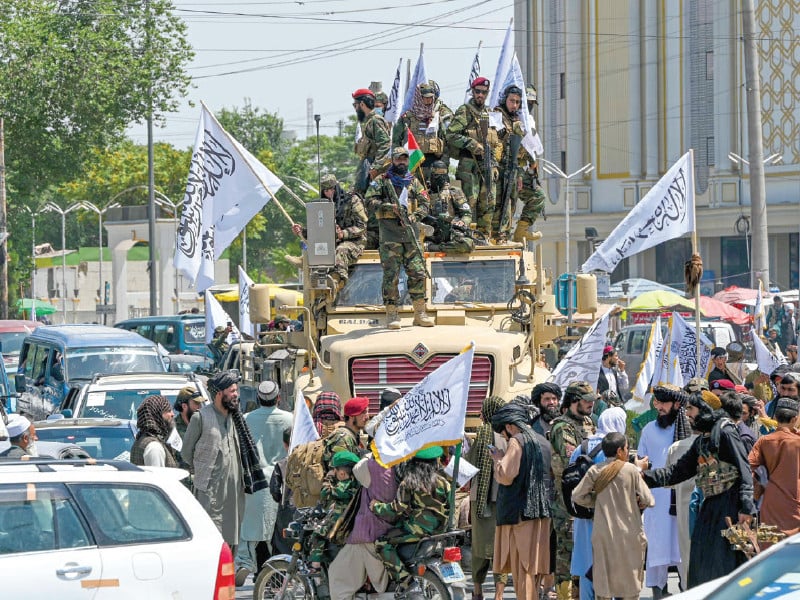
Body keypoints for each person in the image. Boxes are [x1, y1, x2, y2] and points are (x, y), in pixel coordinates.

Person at [641, 390, 757, 588]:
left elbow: (744, 470)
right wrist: (641, 476)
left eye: (691, 409)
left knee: (725, 567)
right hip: (710, 508)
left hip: (730, 509)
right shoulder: (701, 441)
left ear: (705, 410)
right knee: (701, 563)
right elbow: (675, 473)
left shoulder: (726, 432)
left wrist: (746, 508)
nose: (687, 414)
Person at [182, 371, 267, 554]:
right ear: (219, 393)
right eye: (232, 390)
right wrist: (203, 469)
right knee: (211, 540)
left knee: (231, 542)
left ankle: (227, 580)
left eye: (236, 390)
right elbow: (186, 453)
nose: (236, 394)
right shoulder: (201, 418)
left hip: (234, 493)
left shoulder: (236, 419)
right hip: (210, 492)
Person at [572, 432, 655, 600]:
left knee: (604, 582)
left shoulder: (595, 470)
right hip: (629, 533)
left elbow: (577, 495)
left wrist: (595, 502)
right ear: (619, 451)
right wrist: (638, 503)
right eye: (627, 448)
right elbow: (649, 499)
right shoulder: (631, 470)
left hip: (603, 533)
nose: (628, 451)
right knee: (631, 583)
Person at [489, 401, 552, 600]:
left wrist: (498, 458)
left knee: (522, 568)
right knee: (535, 568)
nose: (504, 438)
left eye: (503, 433)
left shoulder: (517, 441)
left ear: (509, 426)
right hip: (540, 513)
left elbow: (506, 475)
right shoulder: (543, 441)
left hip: (519, 516)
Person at [365, 146, 434, 330]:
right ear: (392, 161)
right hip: (390, 236)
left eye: (404, 159)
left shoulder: (413, 182)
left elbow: (426, 203)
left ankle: (419, 313)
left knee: (417, 273)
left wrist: (415, 216)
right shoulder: (382, 181)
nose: (402, 162)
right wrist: (389, 207)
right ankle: (392, 313)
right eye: (398, 159)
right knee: (391, 276)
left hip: (411, 235)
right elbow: (369, 202)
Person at [371, 445, 450, 596]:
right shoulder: (444, 483)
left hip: (418, 530)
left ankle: (405, 580)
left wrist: (376, 507)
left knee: (381, 543)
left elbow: (397, 508)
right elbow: (452, 506)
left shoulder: (408, 483)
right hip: (441, 531)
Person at [235, 380, 293, 585]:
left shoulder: (245, 419)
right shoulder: (290, 419)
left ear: (258, 399)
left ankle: (246, 563)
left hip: (254, 483)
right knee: (276, 534)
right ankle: (273, 574)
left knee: (252, 531)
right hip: (282, 484)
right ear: (278, 398)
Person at [637, 385, 692, 598]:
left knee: (682, 550)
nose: (657, 406)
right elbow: (642, 461)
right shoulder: (649, 429)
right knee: (658, 548)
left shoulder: (688, 429)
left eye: (662, 402)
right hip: (657, 500)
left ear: (677, 404)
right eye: (656, 402)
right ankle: (659, 592)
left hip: (683, 498)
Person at [569, 406, 627, 600]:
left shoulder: (581, 448)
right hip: (609, 516)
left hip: (583, 514)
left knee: (587, 564)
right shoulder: (615, 449)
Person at [548, 381, 596, 600]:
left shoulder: (588, 423)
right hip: (566, 503)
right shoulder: (561, 427)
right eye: (587, 401)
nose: (591, 405)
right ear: (574, 401)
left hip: (586, 501)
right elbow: (572, 461)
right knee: (567, 554)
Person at [328, 451, 398, 599]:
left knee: (338, 576)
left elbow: (357, 469)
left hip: (368, 532)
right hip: (393, 528)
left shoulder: (373, 467)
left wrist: (368, 455)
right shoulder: (399, 466)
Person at [288, 173, 367, 294]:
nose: (329, 193)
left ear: (336, 188)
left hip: (354, 241)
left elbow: (362, 226)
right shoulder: (323, 206)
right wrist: (302, 231)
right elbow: (319, 230)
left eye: (331, 190)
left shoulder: (352, 200)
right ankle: (306, 261)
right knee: (319, 249)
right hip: (331, 240)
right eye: (326, 191)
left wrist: (343, 234)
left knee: (341, 250)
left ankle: (336, 281)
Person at [466, 395, 509, 600]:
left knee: (479, 546)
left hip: (480, 500)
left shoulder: (483, 432)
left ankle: (477, 591)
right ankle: (499, 594)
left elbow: (471, 463)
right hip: (502, 498)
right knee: (500, 547)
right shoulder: (508, 433)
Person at [447, 77, 501, 237]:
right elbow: (450, 134)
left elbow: (495, 142)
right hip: (468, 166)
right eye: (478, 92)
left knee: (488, 203)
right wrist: (471, 144)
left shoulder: (489, 113)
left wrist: (495, 164)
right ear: (472, 91)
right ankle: (465, 236)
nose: (480, 95)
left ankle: (483, 236)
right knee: (468, 203)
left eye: (484, 92)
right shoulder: (465, 111)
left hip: (486, 165)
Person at [748, 397, 800, 542]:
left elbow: (748, 467)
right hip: (796, 500)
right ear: (795, 418)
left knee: (771, 551)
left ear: (775, 417)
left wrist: (757, 491)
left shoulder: (764, 441)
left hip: (772, 502)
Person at [307, 450, 361, 569]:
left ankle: (315, 565)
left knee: (317, 534)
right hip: (351, 521)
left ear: (342, 474)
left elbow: (326, 493)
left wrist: (328, 480)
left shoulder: (345, 484)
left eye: (335, 471)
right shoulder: (357, 483)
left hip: (340, 521)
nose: (334, 473)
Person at [491, 84, 527, 242]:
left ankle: (505, 234)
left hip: (512, 168)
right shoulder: (497, 116)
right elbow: (492, 142)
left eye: (518, 102)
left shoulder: (517, 120)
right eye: (512, 101)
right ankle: (496, 234)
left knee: (511, 202)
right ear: (505, 100)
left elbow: (520, 151)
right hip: (498, 167)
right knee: (498, 203)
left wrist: (519, 173)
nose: (515, 105)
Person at [393, 82, 448, 183]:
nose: (428, 100)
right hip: (412, 163)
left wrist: (444, 164)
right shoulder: (407, 118)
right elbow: (396, 141)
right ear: (419, 98)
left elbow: (445, 142)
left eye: (431, 97)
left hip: (433, 164)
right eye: (425, 97)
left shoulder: (436, 118)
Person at [514, 84, 547, 241]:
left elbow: (530, 148)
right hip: (512, 170)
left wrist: (533, 168)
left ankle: (520, 231)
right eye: (528, 103)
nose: (529, 106)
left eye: (532, 103)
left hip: (523, 170)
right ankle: (514, 232)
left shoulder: (528, 121)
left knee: (537, 196)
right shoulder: (513, 119)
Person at [424, 160, 474, 253]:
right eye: (438, 173)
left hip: (451, 232)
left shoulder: (454, 191)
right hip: (431, 234)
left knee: (466, 244)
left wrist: (463, 222)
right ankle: (432, 246)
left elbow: (467, 213)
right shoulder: (424, 194)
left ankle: (437, 248)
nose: (441, 177)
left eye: (444, 173)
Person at [352, 88, 391, 194]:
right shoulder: (369, 121)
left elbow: (385, 144)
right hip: (367, 168)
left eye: (355, 105)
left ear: (362, 104)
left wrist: (375, 168)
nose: (355, 109)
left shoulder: (375, 120)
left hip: (374, 172)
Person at [322, 396, 369, 471]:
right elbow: (340, 473)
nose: (367, 417)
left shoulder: (352, 435)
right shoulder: (343, 438)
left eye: (367, 412)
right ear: (351, 417)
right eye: (363, 412)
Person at [130, 394, 178, 468]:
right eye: (168, 410)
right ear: (157, 414)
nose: (172, 414)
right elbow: (158, 478)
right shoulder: (154, 447)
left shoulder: (143, 439)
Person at [269, 426, 295, 556]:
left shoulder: (282, 464)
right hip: (308, 510)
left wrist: (280, 499)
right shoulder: (311, 463)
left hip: (287, 509)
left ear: (285, 445)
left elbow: (274, 489)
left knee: (281, 547)